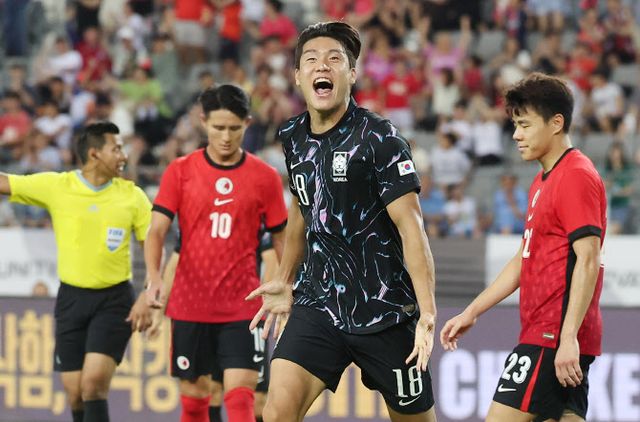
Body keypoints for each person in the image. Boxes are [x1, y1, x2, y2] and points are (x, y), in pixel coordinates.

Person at [246, 21, 438, 422]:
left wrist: (427, 311)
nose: (322, 66)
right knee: (276, 412)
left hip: (384, 310)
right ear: (297, 76)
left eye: (334, 59)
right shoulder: (293, 135)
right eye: (311, 59)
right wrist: (285, 278)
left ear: (351, 74)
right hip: (318, 303)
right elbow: (302, 206)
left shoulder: (380, 137)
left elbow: (412, 227)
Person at [440, 73, 607, 422]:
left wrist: (567, 337)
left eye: (525, 125)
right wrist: (472, 311)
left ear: (556, 123)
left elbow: (589, 259)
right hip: (553, 335)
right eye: (516, 125)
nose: (516, 135)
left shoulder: (575, 175)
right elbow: (523, 259)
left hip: (552, 335)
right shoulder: (542, 180)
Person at [144, 84, 288, 422]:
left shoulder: (265, 177)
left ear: (247, 124)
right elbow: (157, 231)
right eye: (218, 127)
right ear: (203, 121)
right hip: (190, 305)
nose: (225, 137)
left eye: (234, 128)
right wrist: (153, 278)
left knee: (241, 401)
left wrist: (286, 283)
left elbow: (283, 238)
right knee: (195, 403)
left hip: (243, 307)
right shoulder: (180, 171)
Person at [0, 121, 153, 422]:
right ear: (94, 154)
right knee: (74, 392)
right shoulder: (59, 186)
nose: (124, 156)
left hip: (114, 300)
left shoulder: (132, 197)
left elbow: (154, 250)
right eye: (116, 149)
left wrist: (148, 295)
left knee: (93, 383)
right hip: (71, 299)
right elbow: (6, 183)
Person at [155, 232, 278, 422]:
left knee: (256, 398)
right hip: (205, 317)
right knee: (211, 390)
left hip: (243, 316)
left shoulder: (255, 222)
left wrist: (262, 302)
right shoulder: (195, 225)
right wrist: (159, 311)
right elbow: (174, 264)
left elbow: (272, 260)